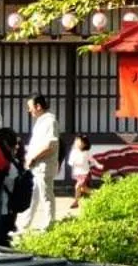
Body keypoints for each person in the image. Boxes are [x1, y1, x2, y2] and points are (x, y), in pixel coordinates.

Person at [18, 95, 60, 232]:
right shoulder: (41, 121)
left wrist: (33, 157)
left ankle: (49, 224)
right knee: (33, 196)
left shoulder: (49, 121)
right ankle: (25, 224)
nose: (29, 111)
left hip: (43, 165)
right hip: (37, 165)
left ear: (38, 106)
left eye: (30, 108)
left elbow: (50, 145)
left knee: (46, 196)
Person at [66, 134, 95, 203]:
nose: (77, 143)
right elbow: (70, 162)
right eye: (77, 142)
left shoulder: (86, 152)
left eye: (80, 142)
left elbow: (91, 162)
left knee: (78, 186)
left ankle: (76, 202)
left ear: (84, 144)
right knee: (83, 188)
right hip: (78, 173)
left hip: (85, 173)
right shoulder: (74, 152)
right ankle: (98, 194)